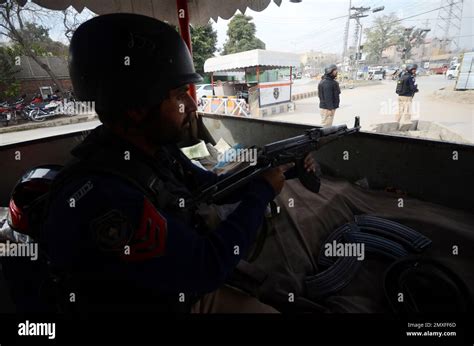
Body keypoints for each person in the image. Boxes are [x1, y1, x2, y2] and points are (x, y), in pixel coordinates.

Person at [32, 14, 317, 314]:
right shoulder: (105, 197)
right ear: (137, 109)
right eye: (181, 95)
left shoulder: (152, 151)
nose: (193, 106)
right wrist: (261, 194)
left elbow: (211, 187)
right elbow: (205, 267)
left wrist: (281, 170)